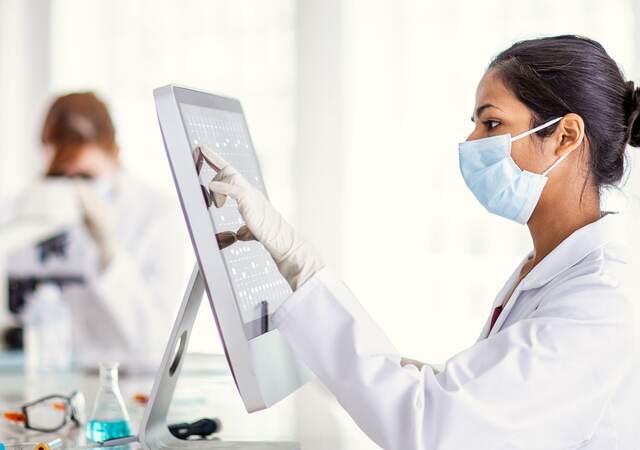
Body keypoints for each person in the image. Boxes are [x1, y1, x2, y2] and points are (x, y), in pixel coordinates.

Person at [205, 35, 640, 449]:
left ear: (565, 136)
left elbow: (435, 425)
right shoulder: (548, 269)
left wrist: (301, 265)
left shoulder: (600, 300)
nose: (471, 142)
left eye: (491, 123)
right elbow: (478, 400)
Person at [6, 92, 185, 371]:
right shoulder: (20, 211)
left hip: (127, 384)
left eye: (85, 176)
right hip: (46, 383)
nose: (73, 189)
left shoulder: (157, 214)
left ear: (115, 155)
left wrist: (109, 250)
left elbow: (154, 340)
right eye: (60, 176)